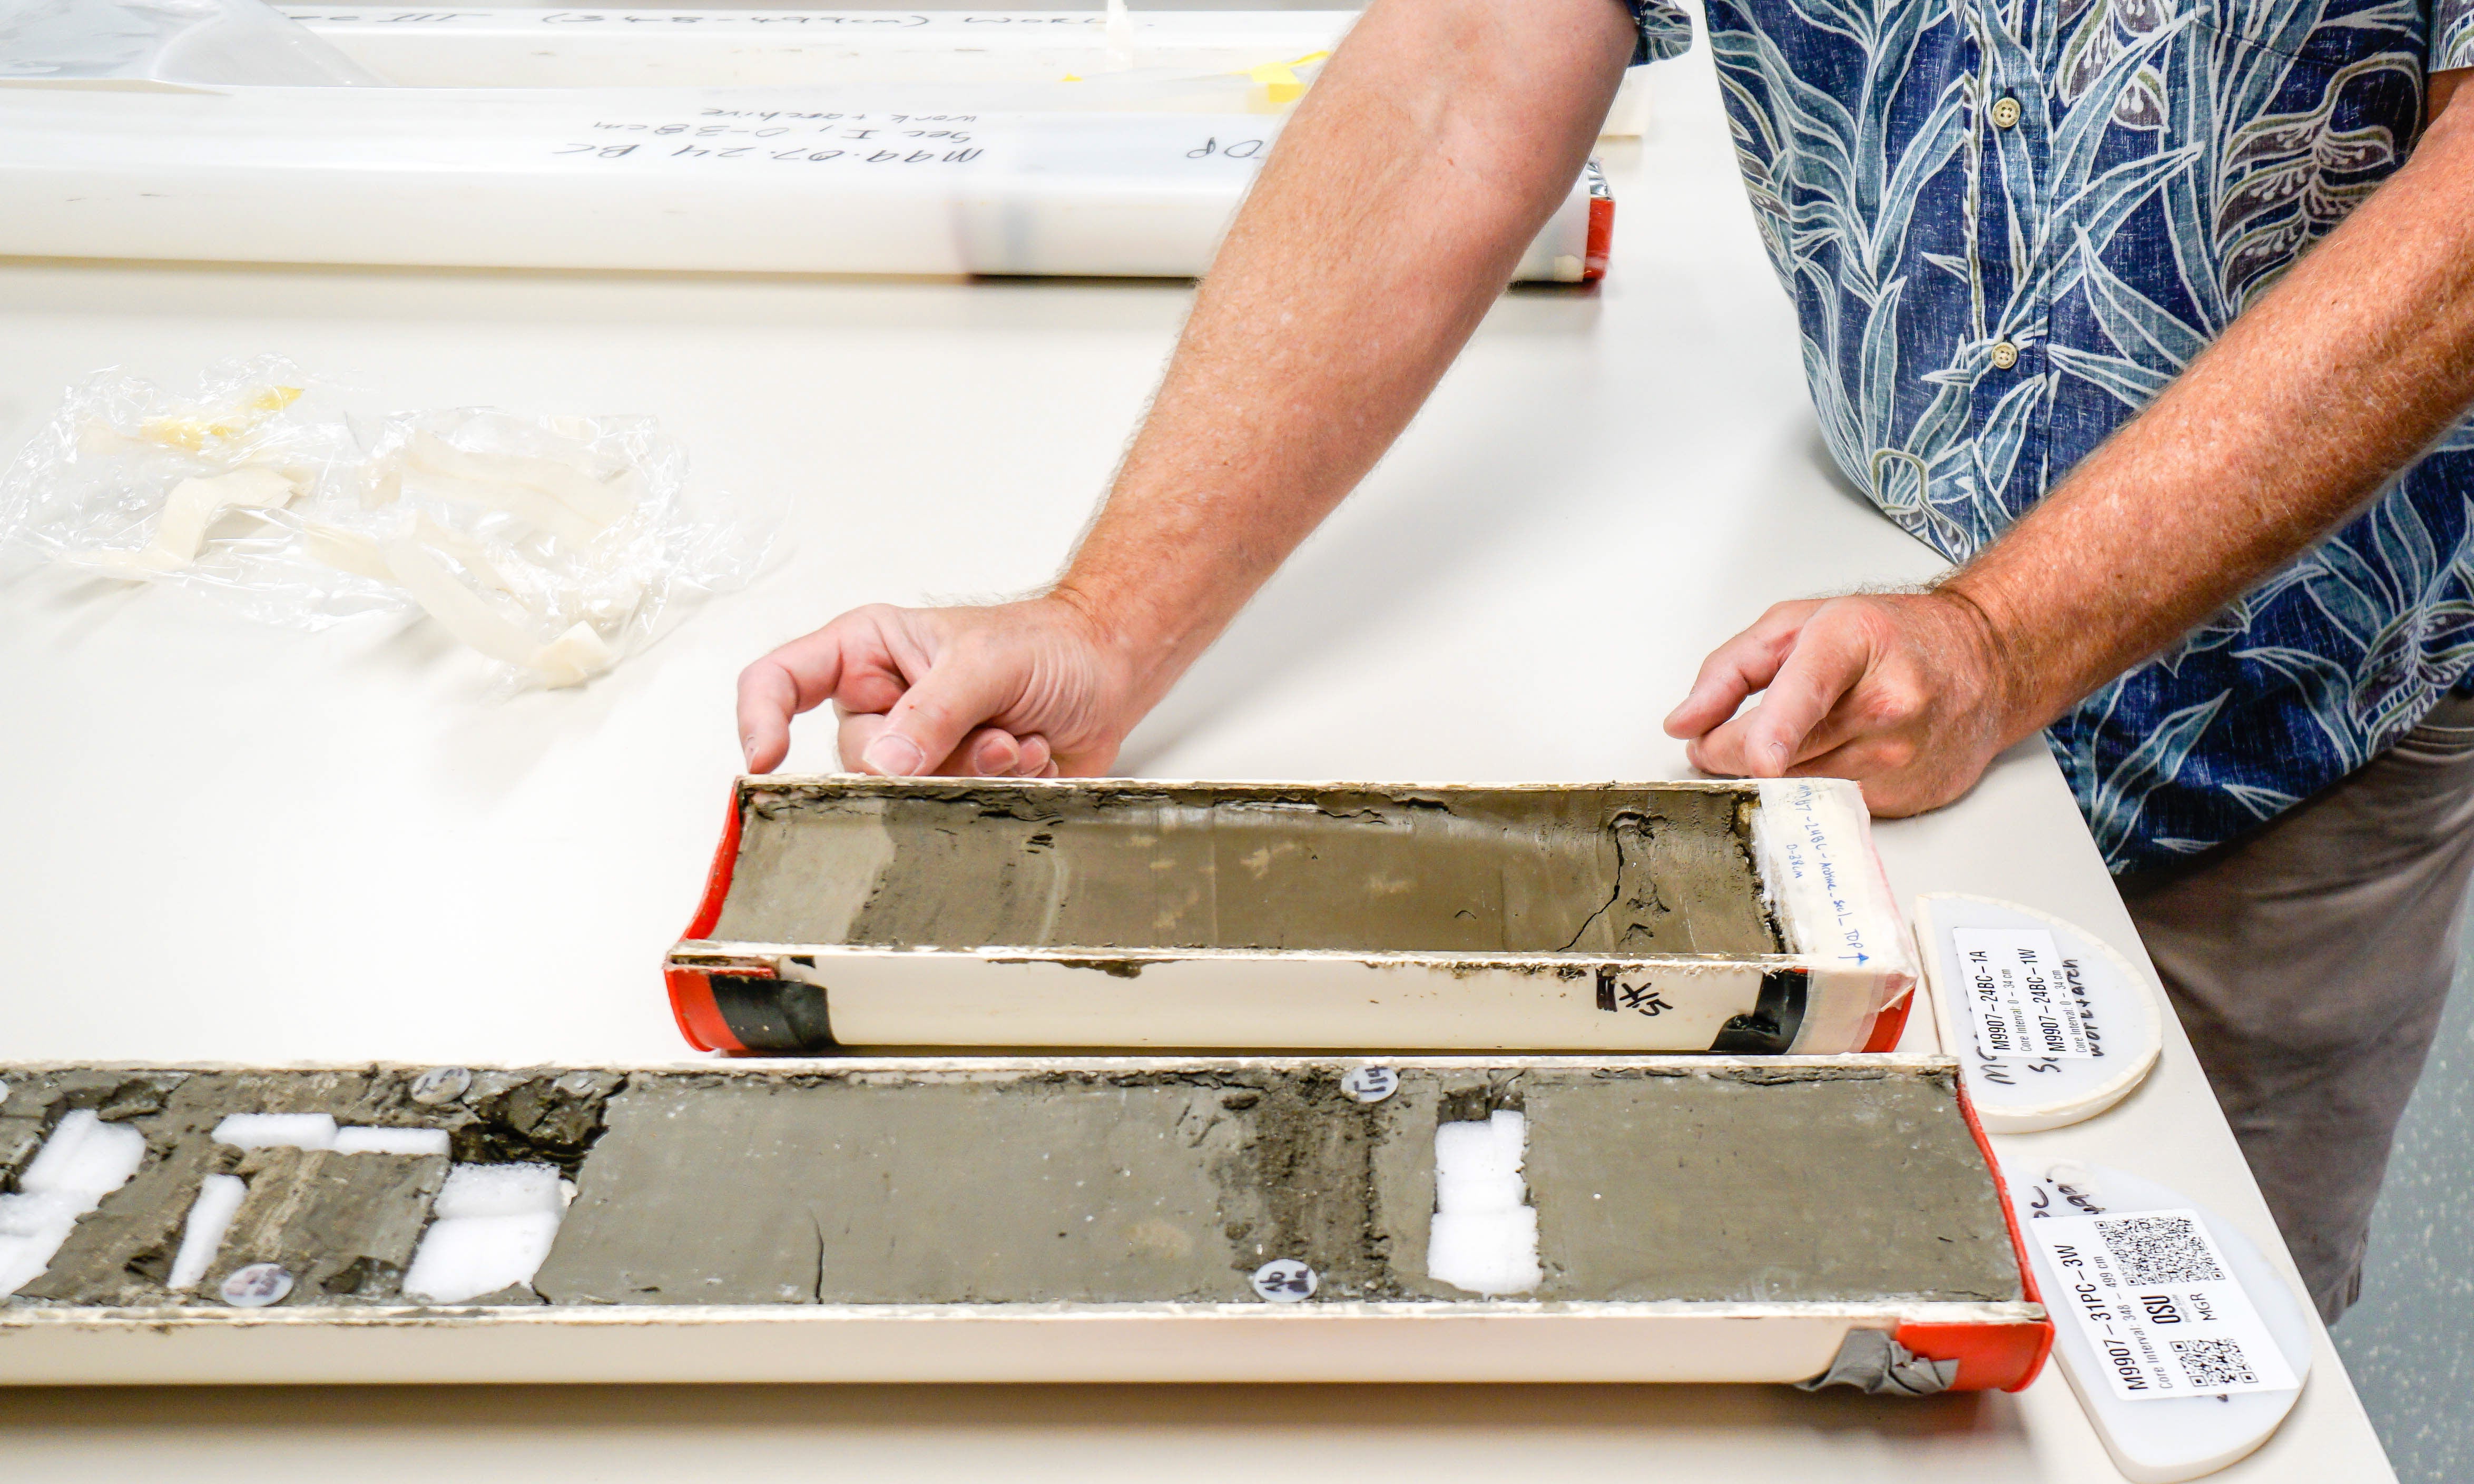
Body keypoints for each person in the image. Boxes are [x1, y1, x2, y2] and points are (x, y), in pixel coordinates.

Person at [735, 0, 2474, 1321]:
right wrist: (1107, 623)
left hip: (2286, 707)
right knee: (1776, 1298)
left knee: (2152, 1337)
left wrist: (2014, 635)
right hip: (1858, 628)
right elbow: (1465, 64)